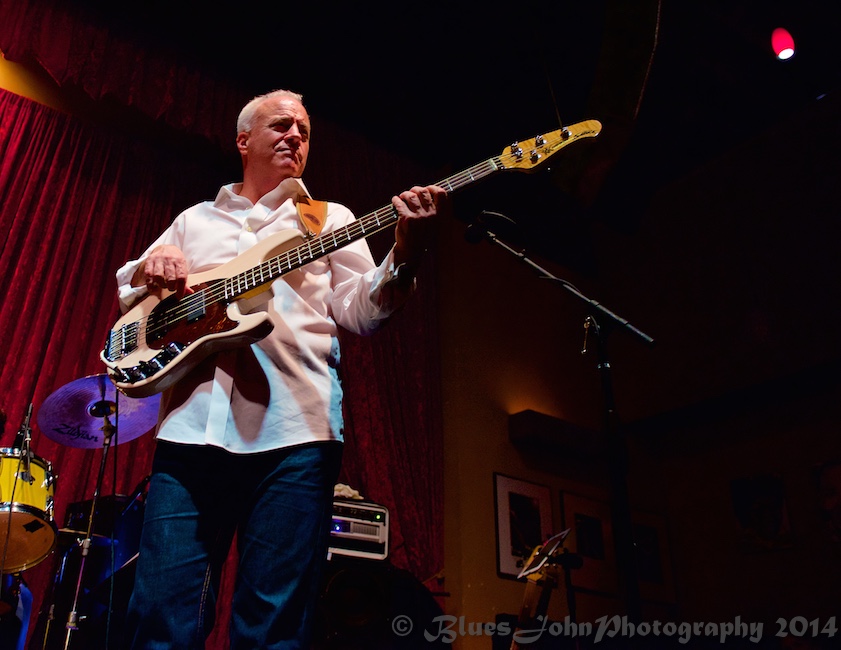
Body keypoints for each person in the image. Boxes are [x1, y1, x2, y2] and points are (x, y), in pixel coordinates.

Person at [115, 88, 445, 649]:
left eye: (304, 130)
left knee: (272, 622)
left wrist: (407, 252)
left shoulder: (329, 218)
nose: (295, 135)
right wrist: (153, 265)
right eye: (281, 125)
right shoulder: (196, 220)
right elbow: (132, 291)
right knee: (160, 612)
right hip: (193, 431)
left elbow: (361, 312)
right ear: (244, 140)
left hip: (296, 433)